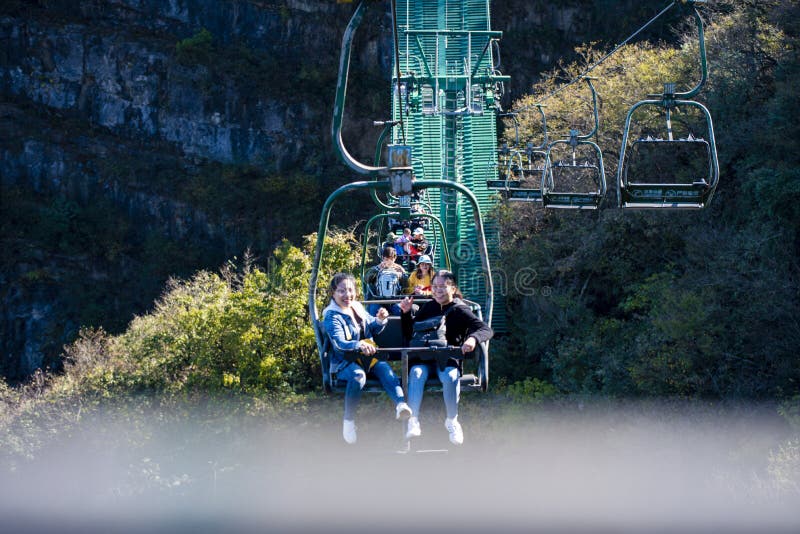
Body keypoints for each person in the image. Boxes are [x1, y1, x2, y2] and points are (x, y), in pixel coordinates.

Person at [399, 270, 493, 445]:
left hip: (447, 359)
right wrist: (405, 314)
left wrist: (472, 338)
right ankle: (413, 420)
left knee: (450, 376)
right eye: (434, 286)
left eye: (442, 286)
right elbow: (409, 333)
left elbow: (485, 330)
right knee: (416, 373)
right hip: (424, 358)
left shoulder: (460, 309)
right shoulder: (428, 307)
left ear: (453, 288)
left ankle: (452, 420)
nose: (438, 290)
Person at [323, 273, 412, 444]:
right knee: (358, 377)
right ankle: (348, 421)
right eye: (341, 291)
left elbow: (371, 325)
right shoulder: (332, 316)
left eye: (350, 290)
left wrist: (380, 320)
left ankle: (401, 405)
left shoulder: (356, 307)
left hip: (367, 357)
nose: (347, 295)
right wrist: (358, 345)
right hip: (346, 361)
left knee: (386, 370)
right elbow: (339, 343)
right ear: (333, 293)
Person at [365, 245, 407, 315]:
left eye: (391, 259)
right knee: (373, 309)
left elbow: (406, 285)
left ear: (394, 258)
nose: (388, 262)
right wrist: (377, 269)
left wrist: (403, 274)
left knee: (401, 310)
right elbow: (367, 280)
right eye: (386, 259)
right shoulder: (376, 269)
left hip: (394, 301)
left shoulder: (398, 269)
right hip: (379, 300)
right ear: (382, 258)